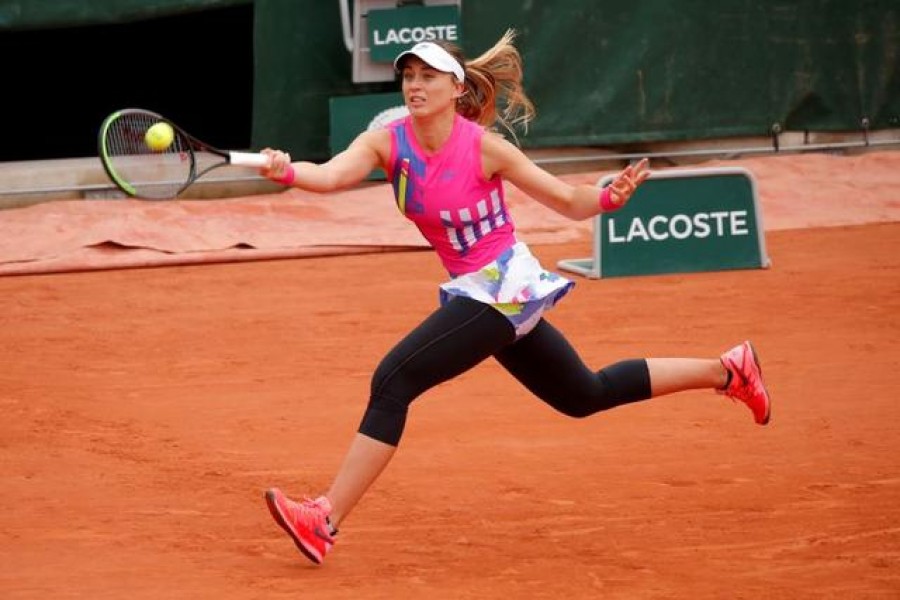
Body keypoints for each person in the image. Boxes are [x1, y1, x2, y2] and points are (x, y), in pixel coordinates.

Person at [258, 30, 771, 566]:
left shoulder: (485, 149)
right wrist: (287, 170)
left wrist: (605, 197)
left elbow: (568, 200)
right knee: (582, 394)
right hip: (477, 293)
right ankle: (729, 371)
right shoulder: (388, 141)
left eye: (428, 76)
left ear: (455, 88)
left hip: (503, 286)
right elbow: (332, 174)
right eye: (408, 75)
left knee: (394, 379)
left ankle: (325, 519)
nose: (415, 85)